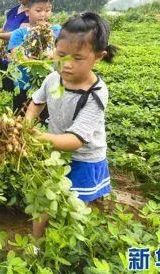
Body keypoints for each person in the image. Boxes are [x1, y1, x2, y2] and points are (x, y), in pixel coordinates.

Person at [24, 12, 117, 238]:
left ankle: (73, 247)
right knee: (43, 200)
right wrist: (26, 126)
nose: (66, 64)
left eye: (77, 58)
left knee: (75, 208)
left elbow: (76, 140)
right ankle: (35, 245)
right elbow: (36, 103)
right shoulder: (53, 79)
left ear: (98, 57)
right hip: (55, 152)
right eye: (61, 54)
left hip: (84, 158)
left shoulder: (96, 94)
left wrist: (40, 138)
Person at [7, 0, 61, 115]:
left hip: (50, 85)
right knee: (21, 118)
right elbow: (16, 56)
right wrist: (29, 58)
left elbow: (63, 52)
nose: (43, 14)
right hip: (23, 86)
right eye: (38, 10)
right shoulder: (18, 33)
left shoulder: (56, 30)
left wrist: (52, 54)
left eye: (47, 10)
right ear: (27, 12)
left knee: (46, 119)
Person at [0, 0, 41, 92]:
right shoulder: (12, 11)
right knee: (6, 84)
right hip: (4, 53)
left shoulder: (33, 13)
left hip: (19, 55)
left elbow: (16, 34)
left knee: (18, 85)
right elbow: (4, 29)